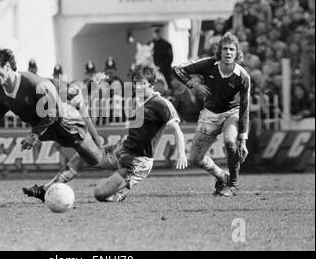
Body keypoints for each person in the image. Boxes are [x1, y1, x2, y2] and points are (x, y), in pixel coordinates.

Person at [0, 48, 105, 201]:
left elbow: (54, 112)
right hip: (46, 129)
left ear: (6, 67)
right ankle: (47, 188)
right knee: (86, 155)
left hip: (66, 122)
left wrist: (34, 134)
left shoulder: (32, 83)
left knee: (96, 159)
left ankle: (128, 161)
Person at [93, 63, 188, 202]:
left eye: (142, 83)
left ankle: (121, 190)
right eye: (135, 83)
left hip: (139, 161)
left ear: (151, 84)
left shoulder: (161, 104)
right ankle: (54, 185)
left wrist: (182, 154)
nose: (138, 87)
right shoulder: (136, 100)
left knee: (99, 194)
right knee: (86, 155)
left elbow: (177, 131)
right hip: (123, 151)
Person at [173, 32, 250, 197]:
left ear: (237, 53)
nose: (228, 52)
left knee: (230, 141)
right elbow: (177, 69)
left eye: (232, 49)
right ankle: (222, 176)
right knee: (195, 159)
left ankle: (233, 185)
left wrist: (243, 140)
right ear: (219, 52)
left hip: (232, 113)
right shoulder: (208, 64)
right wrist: (193, 84)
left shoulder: (243, 77)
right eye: (225, 49)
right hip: (209, 114)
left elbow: (244, 108)